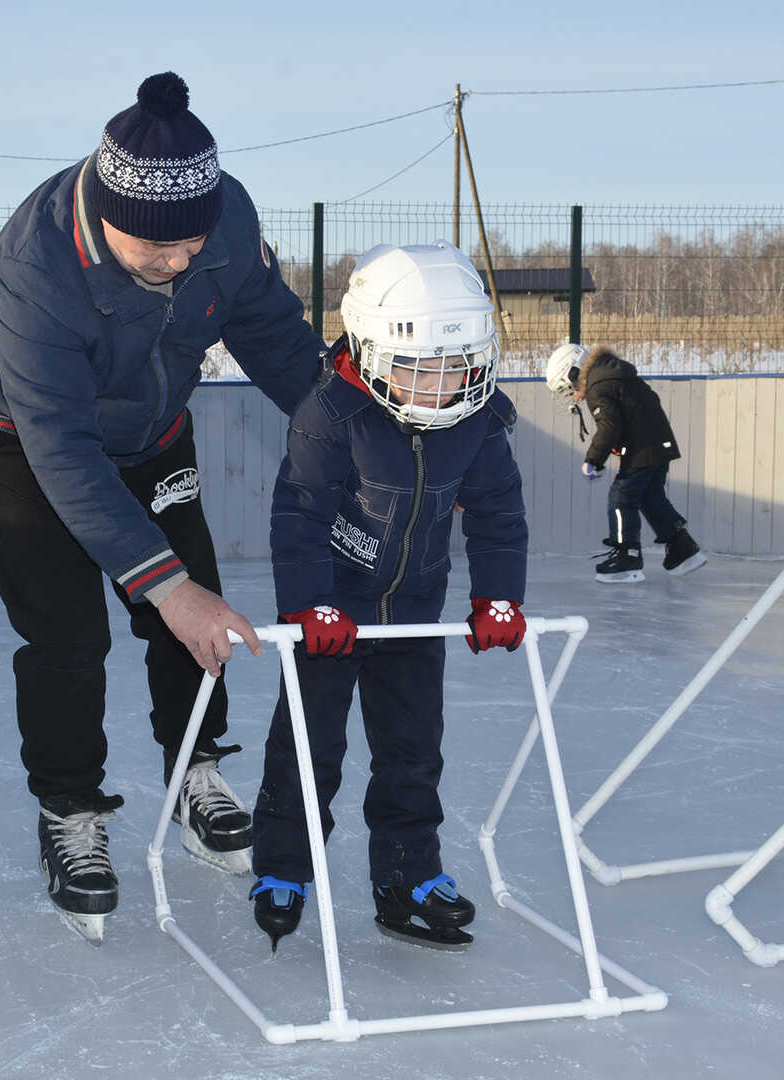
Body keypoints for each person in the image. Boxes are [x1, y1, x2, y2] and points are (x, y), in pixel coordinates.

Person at [0, 72, 326, 944]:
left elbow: (272, 337)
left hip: (151, 426)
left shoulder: (223, 217)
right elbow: (64, 455)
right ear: (103, 210)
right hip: (20, 432)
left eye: (193, 242)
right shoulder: (35, 270)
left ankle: (195, 771)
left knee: (193, 618)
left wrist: (356, 437)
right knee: (68, 632)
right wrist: (164, 582)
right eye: (155, 249)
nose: (181, 260)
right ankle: (70, 808)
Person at [247, 242, 529, 952]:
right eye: (416, 370)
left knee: (412, 754)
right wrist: (310, 605)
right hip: (330, 618)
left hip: (411, 615)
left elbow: (498, 514)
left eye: (454, 368)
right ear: (373, 353)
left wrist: (497, 598)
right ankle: (283, 866)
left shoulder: (478, 421)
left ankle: (406, 876)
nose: (439, 389)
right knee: (308, 748)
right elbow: (300, 516)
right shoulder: (330, 414)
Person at [544, 343, 706, 583]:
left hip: (643, 447)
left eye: (569, 389)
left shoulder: (598, 385)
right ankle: (682, 548)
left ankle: (626, 556)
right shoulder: (613, 372)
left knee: (621, 498)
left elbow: (610, 426)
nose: (573, 395)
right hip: (658, 443)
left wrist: (593, 460)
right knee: (650, 497)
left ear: (575, 373)